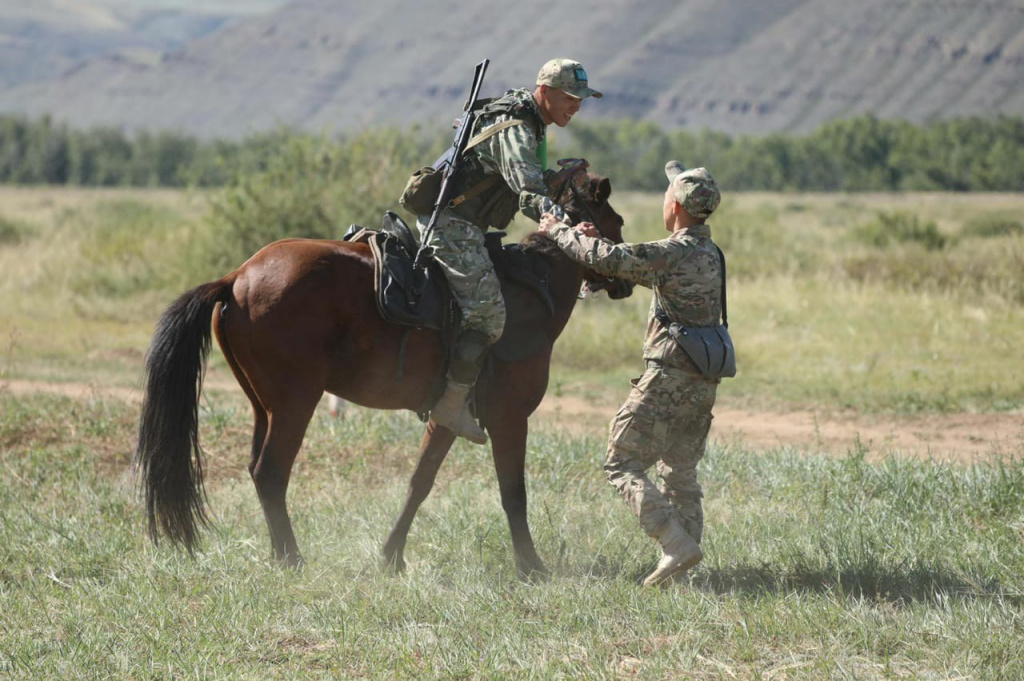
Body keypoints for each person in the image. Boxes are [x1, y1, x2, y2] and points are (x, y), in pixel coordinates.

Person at [538, 161, 725, 587]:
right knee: (679, 470)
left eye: (665, 195)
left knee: (620, 461)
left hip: (668, 376)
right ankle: (684, 563)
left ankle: (673, 543)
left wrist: (557, 230)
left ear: (675, 205)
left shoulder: (672, 252)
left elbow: (613, 260)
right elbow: (621, 261)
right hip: (704, 380)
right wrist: (596, 242)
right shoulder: (709, 253)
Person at [422, 58, 602, 445]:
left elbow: (528, 183)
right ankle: (453, 402)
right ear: (546, 91)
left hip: (467, 225)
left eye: (581, 99)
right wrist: (569, 229)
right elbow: (528, 196)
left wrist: (564, 180)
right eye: (571, 97)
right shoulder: (519, 128)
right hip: (452, 227)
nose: (576, 106)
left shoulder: (532, 121)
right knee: (489, 313)